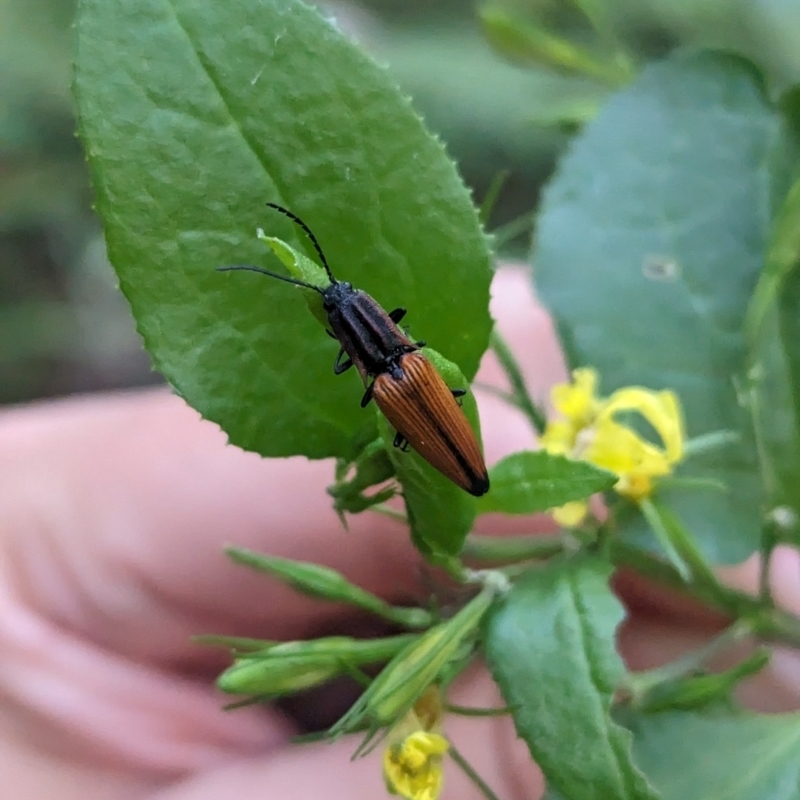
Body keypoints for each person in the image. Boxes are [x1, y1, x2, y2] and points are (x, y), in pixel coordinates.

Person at [1, 269, 798, 799]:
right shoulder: (411, 367)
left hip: (447, 439)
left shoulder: (386, 382)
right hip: (451, 428)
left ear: (361, 333)